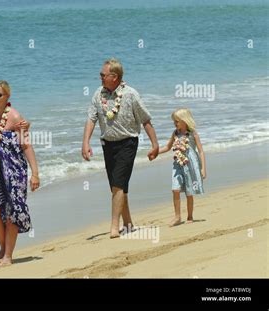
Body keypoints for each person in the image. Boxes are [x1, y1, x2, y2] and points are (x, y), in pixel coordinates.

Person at [82, 58, 159, 238]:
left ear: (114, 77)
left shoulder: (131, 94)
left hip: (128, 143)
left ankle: (114, 227)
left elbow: (145, 120)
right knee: (117, 187)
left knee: (117, 184)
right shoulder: (97, 95)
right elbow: (91, 119)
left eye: (103, 74)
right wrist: (85, 142)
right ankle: (129, 223)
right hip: (107, 145)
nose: (100, 77)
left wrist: (155, 145)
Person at [0, 80, 40, 267]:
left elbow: (26, 145)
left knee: (11, 213)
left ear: (7, 96)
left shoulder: (15, 117)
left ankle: (8, 256)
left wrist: (35, 174)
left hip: (14, 172)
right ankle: (4, 247)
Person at [158, 108, 206, 226]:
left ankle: (190, 216)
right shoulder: (175, 133)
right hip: (177, 164)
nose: (175, 123)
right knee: (175, 189)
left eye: (177, 121)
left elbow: (200, 151)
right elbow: (168, 147)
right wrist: (155, 152)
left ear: (185, 121)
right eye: (174, 121)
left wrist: (203, 168)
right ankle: (177, 217)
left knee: (189, 192)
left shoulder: (193, 134)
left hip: (191, 165)